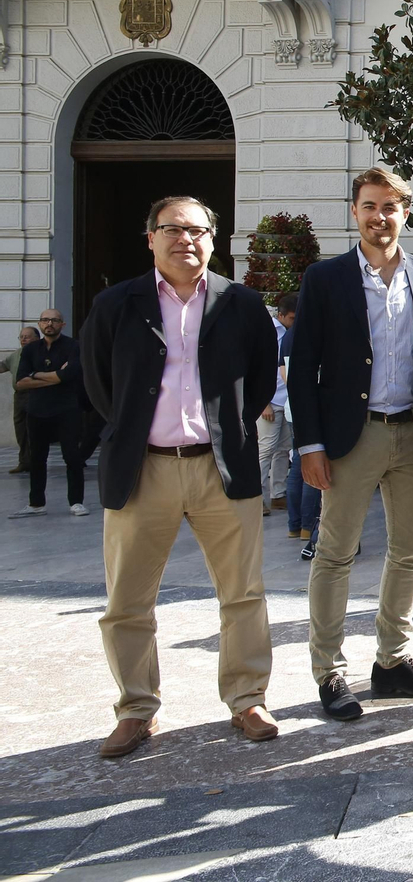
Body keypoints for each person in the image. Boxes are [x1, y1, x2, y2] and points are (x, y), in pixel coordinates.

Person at [78, 195, 282, 757]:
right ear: (151, 238)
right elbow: (99, 384)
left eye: (196, 231)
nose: (184, 240)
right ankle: (136, 709)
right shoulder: (118, 303)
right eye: (171, 229)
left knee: (243, 593)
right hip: (143, 469)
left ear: (213, 240)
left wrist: (230, 430)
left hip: (222, 469)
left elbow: (262, 377)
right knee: (127, 601)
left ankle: (247, 699)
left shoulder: (240, 304)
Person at [290, 168, 413, 721]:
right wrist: (308, 443)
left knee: (411, 551)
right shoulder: (325, 278)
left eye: (390, 207)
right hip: (349, 438)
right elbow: (302, 366)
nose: (380, 217)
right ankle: (329, 671)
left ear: (406, 212)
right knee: (335, 554)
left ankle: (392, 662)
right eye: (369, 206)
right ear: (354, 212)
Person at [10, 308, 89, 518]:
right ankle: (36, 503)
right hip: (37, 410)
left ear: (62, 324)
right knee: (37, 458)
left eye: (54, 320)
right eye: (45, 320)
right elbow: (21, 381)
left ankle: (76, 502)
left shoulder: (73, 346)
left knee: (72, 457)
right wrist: (54, 375)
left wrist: (36, 375)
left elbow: (69, 375)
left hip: (67, 409)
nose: (49, 324)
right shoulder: (30, 350)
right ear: (40, 324)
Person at [279, 319, 322, 556]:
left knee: (298, 463)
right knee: (310, 466)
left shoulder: (288, 335)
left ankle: (295, 525)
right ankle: (307, 526)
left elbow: (284, 373)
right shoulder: (311, 329)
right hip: (309, 408)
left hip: (293, 407)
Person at [259, 292, 297, 519]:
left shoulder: (292, 332)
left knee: (283, 450)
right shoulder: (269, 332)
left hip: (285, 400)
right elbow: (256, 367)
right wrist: (263, 403)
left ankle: (278, 494)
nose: (295, 321)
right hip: (270, 401)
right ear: (281, 315)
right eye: (292, 318)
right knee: (265, 451)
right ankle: (258, 499)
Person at [2, 325, 39, 473]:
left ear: (37, 338)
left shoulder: (40, 353)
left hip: (36, 394)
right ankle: (24, 461)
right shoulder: (16, 354)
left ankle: (36, 461)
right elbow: (3, 366)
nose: (23, 339)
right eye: (21, 337)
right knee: (21, 429)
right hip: (19, 395)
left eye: (27, 336)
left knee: (34, 429)